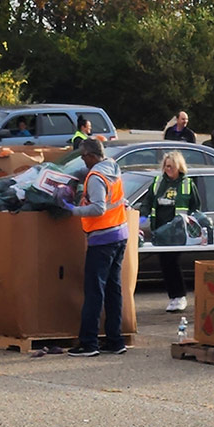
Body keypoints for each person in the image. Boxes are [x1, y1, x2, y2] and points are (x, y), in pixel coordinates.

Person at [63, 139, 131, 356]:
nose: (83, 160)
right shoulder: (113, 169)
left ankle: (89, 343)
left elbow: (99, 208)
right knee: (113, 290)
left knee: (94, 291)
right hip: (120, 234)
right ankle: (115, 340)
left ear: (92, 156)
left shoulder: (96, 177)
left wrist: (72, 210)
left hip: (102, 239)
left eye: (83, 156)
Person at [138, 151, 202, 312]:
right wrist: (143, 216)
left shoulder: (187, 184)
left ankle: (179, 296)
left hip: (178, 233)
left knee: (172, 262)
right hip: (159, 232)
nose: (168, 169)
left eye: (171, 166)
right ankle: (173, 297)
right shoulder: (158, 182)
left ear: (179, 167)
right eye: (166, 166)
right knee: (164, 264)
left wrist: (192, 224)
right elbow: (148, 201)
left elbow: (195, 206)